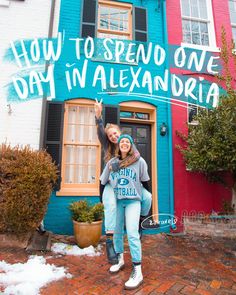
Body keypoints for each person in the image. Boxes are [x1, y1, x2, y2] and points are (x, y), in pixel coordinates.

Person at [94, 99, 152, 265]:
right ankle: (110, 242)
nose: (113, 136)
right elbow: (100, 133)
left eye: (115, 134)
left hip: (130, 185)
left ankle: (141, 222)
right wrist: (98, 117)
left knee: (147, 198)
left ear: (121, 134)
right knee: (111, 205)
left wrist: (145, 190)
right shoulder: (108, 147)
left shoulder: (130, 149)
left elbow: (141, 172)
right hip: (113, 184)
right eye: (110, 135)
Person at [100, 134, 151, 290]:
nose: (124, 143)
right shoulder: (112, 163)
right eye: (122, 141)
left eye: (127, 142)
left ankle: (138, 271)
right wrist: (102, 200)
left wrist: (145, 199)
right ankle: (120, 258)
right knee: (117, 232)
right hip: (118, 201)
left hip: (133, 201)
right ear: (119, 145)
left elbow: (145, 182)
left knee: (132, 233)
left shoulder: (139, 161)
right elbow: (103, 182)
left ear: (130, 145)